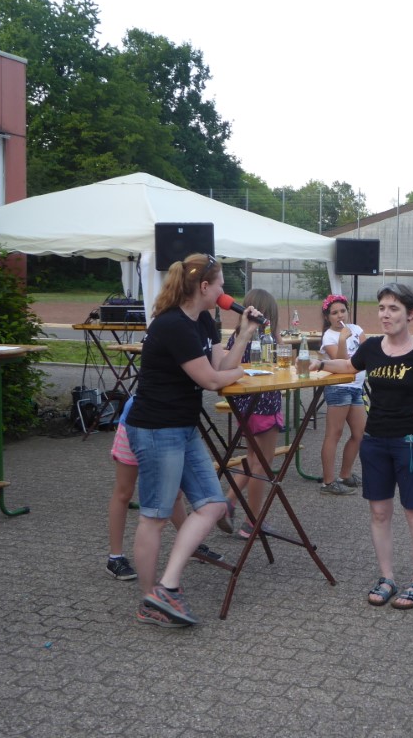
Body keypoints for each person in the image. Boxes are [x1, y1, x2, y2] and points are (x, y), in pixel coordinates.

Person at [125, 254, 261, 627]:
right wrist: (242, 372)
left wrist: (245, 333)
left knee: (213, 505)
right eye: (220, 285)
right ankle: (150, 600)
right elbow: (212, 381)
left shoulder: (202, 320)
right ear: (204, 287)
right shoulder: (172, 325)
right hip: (156, 429)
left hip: (183, 427)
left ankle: (166, 587)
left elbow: (219, 367)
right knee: (155, 516)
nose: (225, 292)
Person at [311, 283, 413, 611]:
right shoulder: (372, 348)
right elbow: (349, 366)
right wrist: (320, 364)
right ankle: (387, 577)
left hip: (412, 443)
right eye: (381, 308)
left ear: (411, 314)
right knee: (379, 513)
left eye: (393, 309)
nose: (385, 315)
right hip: (375, 441)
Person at [106, 396, 222, 582]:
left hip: (169, 428)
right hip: (136, 423)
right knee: (124, 492)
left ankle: (191, 546)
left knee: (174, 492)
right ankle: (115, 557)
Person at [219, 289, 285, 537]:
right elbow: (282, 361)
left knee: (252, 459)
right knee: (263, 465)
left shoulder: (238, 336)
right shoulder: (266, 339)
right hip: (264, 404)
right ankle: (252, 521)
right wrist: (276, 334)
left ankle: (228, 503)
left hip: (245, 406)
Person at [319, 293, 366, 496]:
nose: (340, 315)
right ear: (327, 317)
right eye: (334, 313)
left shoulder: (357, 329)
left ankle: (345, 475)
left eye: (343, 311)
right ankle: (328, 482)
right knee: (334, 433)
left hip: (356, 388)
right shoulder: (329, 336)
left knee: (359, 433)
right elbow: (341, 363)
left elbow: (366, 354)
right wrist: (342, 339)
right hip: (339, 388)